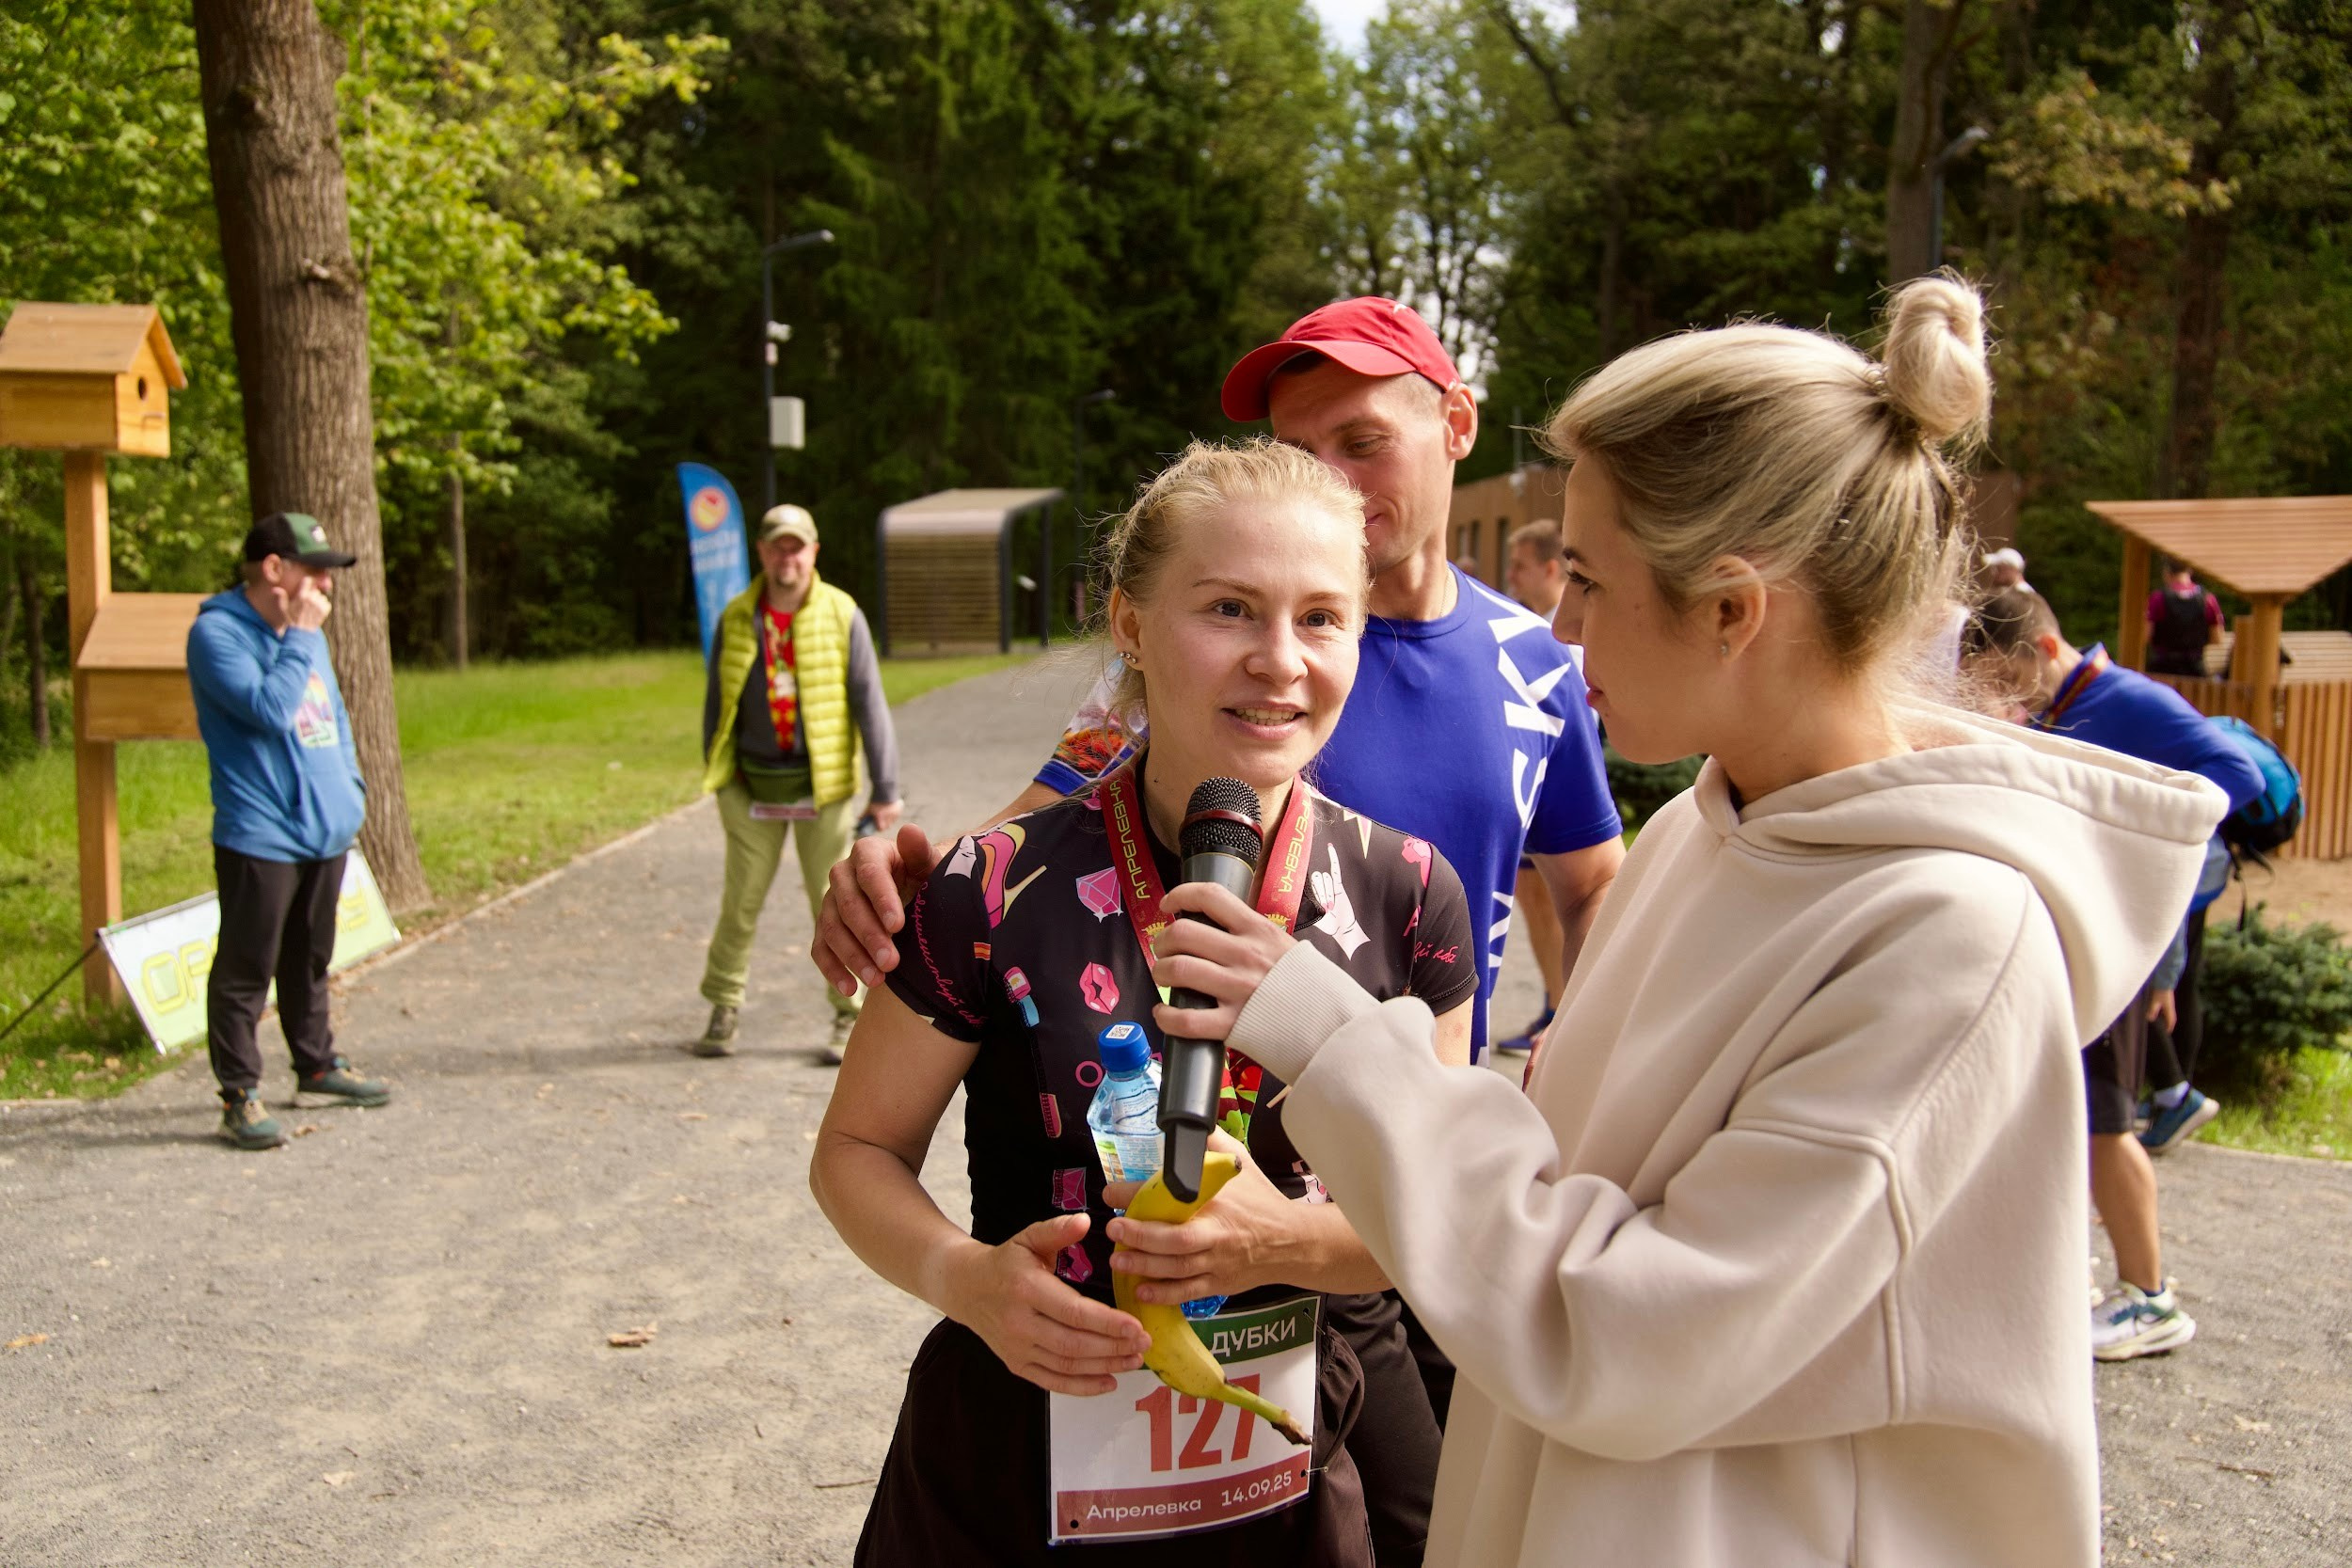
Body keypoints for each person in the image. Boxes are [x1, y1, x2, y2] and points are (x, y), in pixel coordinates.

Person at [1112, 279, 2225, 1566]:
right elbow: (1571, 1170)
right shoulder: (1713, 826)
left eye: (1585, 574)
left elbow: (1631, 1331)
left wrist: (1327, 1030)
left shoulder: (1950, 941)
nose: (1561, 622)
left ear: (1733, 608)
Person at [816, 297, 1626, 1425]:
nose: (1278, 661)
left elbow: (1588, 888)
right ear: (1138, 624)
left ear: (1456, 424)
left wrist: (1573, 1081)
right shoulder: (1138, 697)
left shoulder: (1541, 668)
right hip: (1062, 1374)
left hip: (1345, 1312)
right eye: (1297, 449)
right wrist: (901, 878)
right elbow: (1037, 835)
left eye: (1359, 441)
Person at [810, 440, 1481, 1567]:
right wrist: (963, 1278)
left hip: (1293, 1452)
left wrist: (1288, 1240)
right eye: (1229, 608)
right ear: (1127, 622)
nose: (1279, 661)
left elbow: (1442, 1217)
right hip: (1021, 1453)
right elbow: (857, 1148)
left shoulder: (1408, 890)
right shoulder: (990, 882)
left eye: (1322, 618)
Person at [1963, 585, 2263, 1358]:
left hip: (2117, 939)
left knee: (2105, 1125)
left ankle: (2150, 1295)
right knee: (2075, 1124)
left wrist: (2155, 922)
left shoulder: (2129, 701)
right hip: (2073, 940)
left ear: (2043, 651)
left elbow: (2233, 777)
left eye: (2005, 681)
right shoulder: (2060, 712)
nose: (2004, 700)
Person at [187, 513, 390, 1150]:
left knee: (309, 957)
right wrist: (301, 635)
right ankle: (240, 1093)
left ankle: (317, 1063)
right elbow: (272, 711)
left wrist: (351, 791)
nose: (326, 583)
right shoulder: (217, 635)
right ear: (274, 569)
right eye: (315, 568)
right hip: (261, 834)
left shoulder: (309, 636)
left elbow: (332, 716)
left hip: (324, 830)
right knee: (247, 966)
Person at [695, 504, 900, 1064]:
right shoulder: (737, 617)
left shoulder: (841, 613)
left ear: (813, 552)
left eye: (797, 546)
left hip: (824, 791)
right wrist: (718, 777)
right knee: (741, 902)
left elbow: (869, 702)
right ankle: (723, 1003)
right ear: (762, 553)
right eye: (777, 547)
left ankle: (848, 1013)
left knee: (839, 903)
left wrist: (885, 787)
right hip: (750, 789)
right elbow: (718, 706)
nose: (787, 557)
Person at [1493, 519, 1573, 1054]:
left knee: (1557, 898)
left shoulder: (1559, 638)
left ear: (1550, 568)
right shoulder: (1530, 626)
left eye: (1520, 565)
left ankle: (1562, 1012)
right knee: (1536, 901)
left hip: (1555, 797)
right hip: (1533, 791)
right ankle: (1553, 1005)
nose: (1512, 576)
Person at [2145, 559, 2223, 678]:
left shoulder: (2158, 598)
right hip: (2194, 669)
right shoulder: (2208, 599)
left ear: (2166, 572)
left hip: (2163, 669)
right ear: (2190, 571)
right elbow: (2217, 638)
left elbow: (2147, 635)